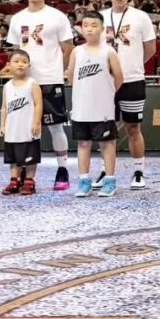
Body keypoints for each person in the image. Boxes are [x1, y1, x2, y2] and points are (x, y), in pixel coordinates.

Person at [5, 0, 74, 191]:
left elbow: (68, 49)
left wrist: (58, 71)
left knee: (55, 127)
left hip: (50, 80)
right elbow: (16, 52)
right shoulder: (17, 19)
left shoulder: (57, 17)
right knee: (22, 127)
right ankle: (22, 172)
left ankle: (62, 169)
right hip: (23, 83)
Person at [98, 0, 157, 190]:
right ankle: (106, 171)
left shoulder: (141, 17)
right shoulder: (100, 17)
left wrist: (133, 65)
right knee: (106, 129)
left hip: (133, 80)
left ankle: (139, 171)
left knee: (133, 128)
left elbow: (150, 48)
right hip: (105, 82)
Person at [66, 12, 123, 198]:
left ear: (102, 28)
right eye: (86, 25)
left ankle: (110, 181)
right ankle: (84, 181)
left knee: (107, 144)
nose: (89, 29)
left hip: (103, 109)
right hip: (81, 108)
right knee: (83, 144)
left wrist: (105, 93)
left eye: (94, 25)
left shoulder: (109, 52)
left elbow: (119, 78)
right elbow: (71, 77)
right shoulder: (76, 51)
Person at [0, 49, 43, 196]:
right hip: (12, 129)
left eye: (24, 62)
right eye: (16, 61)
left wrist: (36, 122)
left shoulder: (32, 84)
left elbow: (38, 104)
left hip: (28, 130)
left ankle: (29, 180)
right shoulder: (7, 86)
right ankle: (15, 180)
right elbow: (4, 107)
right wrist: (2, 125)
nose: (20, 64)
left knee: (31, 157)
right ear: (9, 65)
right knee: (13, 158)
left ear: (29, 65)